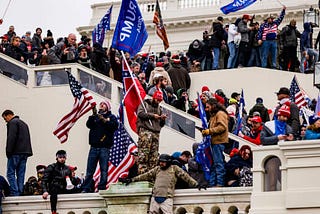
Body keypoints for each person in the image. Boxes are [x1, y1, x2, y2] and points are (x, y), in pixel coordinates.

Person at [119, 154, 204, 214]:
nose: (161, 163)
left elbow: (186, 177)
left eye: (163, 162)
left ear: (168, 162)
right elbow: (145, 176)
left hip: (167, 198)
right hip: (155, 198)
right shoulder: (157, 169)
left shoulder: (174, 168)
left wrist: (196, 184)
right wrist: (131, 180)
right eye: (160, 161)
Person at [81, 100, 118, 193]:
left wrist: (104, 120)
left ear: (107, 107)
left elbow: (114, 126)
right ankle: (86, 188)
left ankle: (102, 187)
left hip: (104, 148)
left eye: (103, 104)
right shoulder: (95, 117)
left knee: (104, 170)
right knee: (90, 170)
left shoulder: (111, 117)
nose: (101, 105)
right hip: (93, 147)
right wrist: (93, 115)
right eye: (100, 104)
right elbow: (88, 125)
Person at [2, 110, 33, 196]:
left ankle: (15, 192)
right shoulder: (24, 123)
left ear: (8, 115)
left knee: (10, 173)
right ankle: (20, 191)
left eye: (5, 118)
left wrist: (8, 151)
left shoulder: (12, 123)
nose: (5, 121)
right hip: (25, 152)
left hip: (15, 152)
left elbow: (11, 138)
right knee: (21, 173)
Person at [136, 91, 167, 174]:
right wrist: (152, 116)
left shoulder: (160, 109)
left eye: (160, 100)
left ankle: (151, 175)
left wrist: (162, 119)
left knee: (154, 156)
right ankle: (142, 174)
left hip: (156, 133)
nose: (158, 102)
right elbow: (140, 114)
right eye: (157, 100)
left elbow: (161, 124)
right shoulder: (145, 104)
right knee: (144, 154)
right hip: (146, 130)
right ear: (153, 97)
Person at [202, 98, 228, 187]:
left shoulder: (220, 114)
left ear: (213, 106)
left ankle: (220, 183)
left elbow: (222, 127)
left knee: (218, 163)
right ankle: (212, 184)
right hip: (214, 142)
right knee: (213, 164)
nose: (206, 109)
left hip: (218, 142)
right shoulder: (214, 115)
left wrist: (209, 131)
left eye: (208, 107)